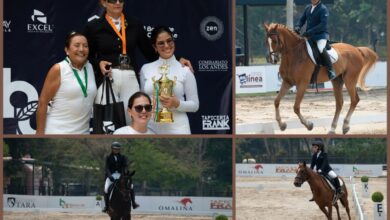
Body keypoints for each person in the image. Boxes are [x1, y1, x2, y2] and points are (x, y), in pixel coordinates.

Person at [84, 0, 193, 125]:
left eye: (121, 0)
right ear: (103, 3)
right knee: (107, 121)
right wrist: (98, 63)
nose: (118, 3)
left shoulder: (134, 23)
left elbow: (150, 53)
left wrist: (178, 59)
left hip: (130, 77)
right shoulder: (94, 26)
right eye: (113, 0)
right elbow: (87, 56)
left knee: (133, 119)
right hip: (107, 77)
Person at [140, 26, 199, 134]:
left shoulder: (185, 70)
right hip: (150, 127)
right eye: (161, 43)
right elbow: (142, 101)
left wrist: (177, 104)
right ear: (154, 47)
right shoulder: (145, 69)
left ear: (173, 41)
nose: (166, 46)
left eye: (169, 41)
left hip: (179, 128)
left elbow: (195, 105)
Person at [36, 31, 97, 134]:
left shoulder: (90, 67)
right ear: (67, 50)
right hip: (57, 132)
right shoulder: (58, 69)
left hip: (84, 133)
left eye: (85, 46)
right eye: (77, 45)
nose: (81, 49)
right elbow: (43, 103)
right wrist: (39, 134)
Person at [294, 0, 336, 80]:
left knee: (320, 49)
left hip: (321, 35)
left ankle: (330, 70)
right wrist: (298, 26)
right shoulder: (308, 8)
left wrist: (310, 31)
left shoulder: (323, 9)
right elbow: (302, 19)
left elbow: (323, 24)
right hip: (310, 36)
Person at [103, 141, 139, 212]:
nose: (116, 150)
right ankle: (107, 206)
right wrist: (110, 176)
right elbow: (107, 168)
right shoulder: (108, 157)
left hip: (120, 175)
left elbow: (125, 166)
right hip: (111, 175)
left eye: (118, 149)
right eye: (115, 149)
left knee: (131, 186)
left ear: (119, 150)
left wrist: (125, 172)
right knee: (106, 189)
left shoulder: (123, 157)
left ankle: (133, 203)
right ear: (112, 149)